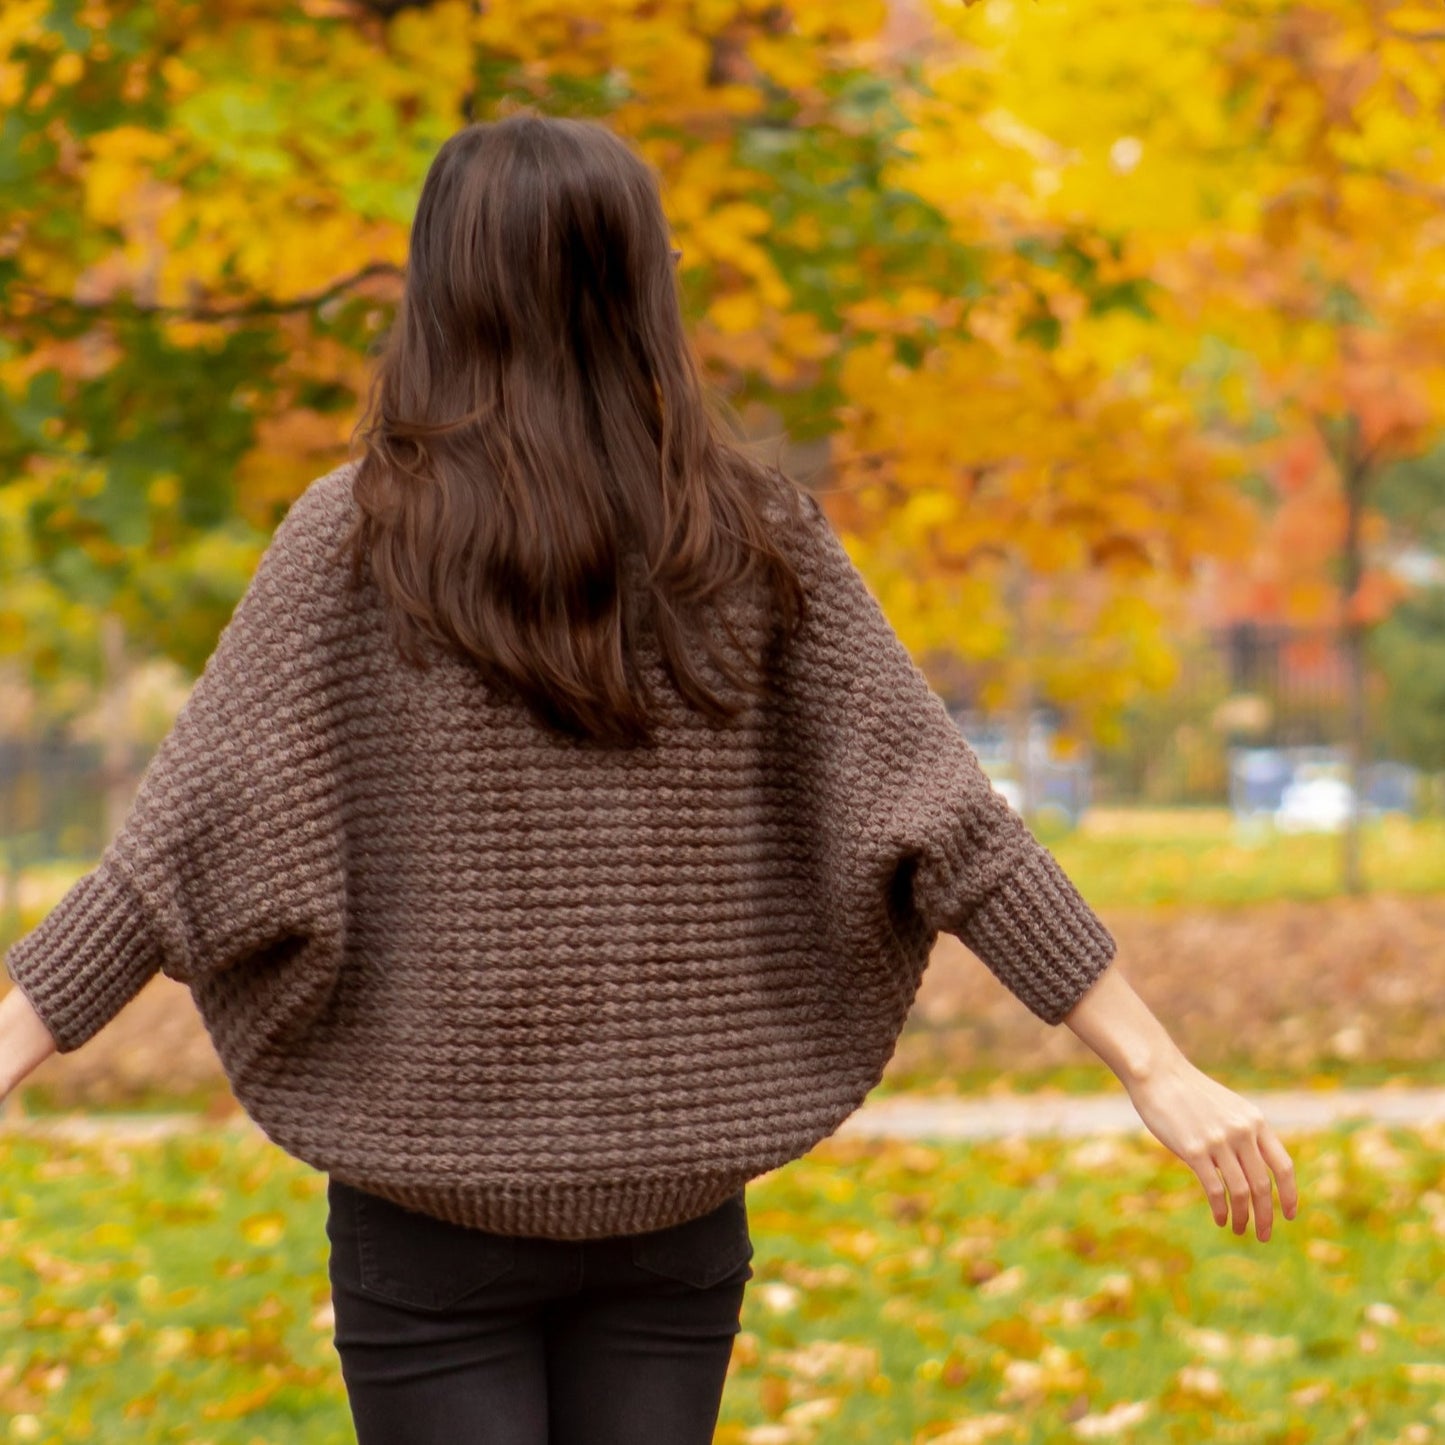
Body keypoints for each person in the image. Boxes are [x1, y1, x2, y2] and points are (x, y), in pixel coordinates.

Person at [0, 111, 1297, 1445]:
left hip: (426, 1214)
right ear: (642, 288)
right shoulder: (745, 536)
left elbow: (170, 860)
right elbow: (951, 828)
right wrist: (1156, 1066)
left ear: (441, 288)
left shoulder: (358, 539)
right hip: (673, 1207)